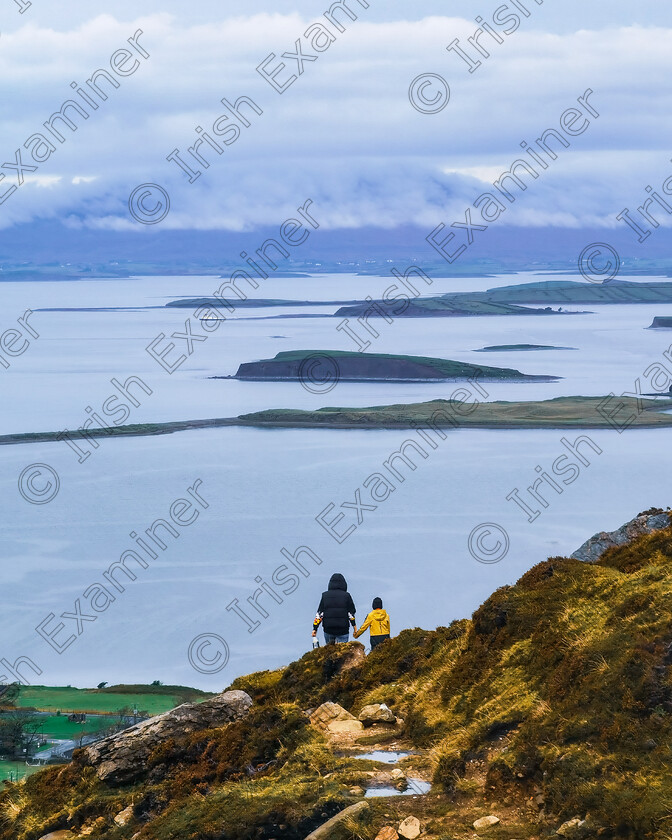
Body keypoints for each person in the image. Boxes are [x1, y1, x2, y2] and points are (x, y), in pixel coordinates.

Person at [312, 573, 356, 644]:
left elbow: (319, 614)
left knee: (330, 651)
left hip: (328, 629)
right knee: (342, 652)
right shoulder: (347, 596)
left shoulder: (325, 595)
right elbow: (351, 614)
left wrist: (315, 628)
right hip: (343, 630)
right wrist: (354, 627)